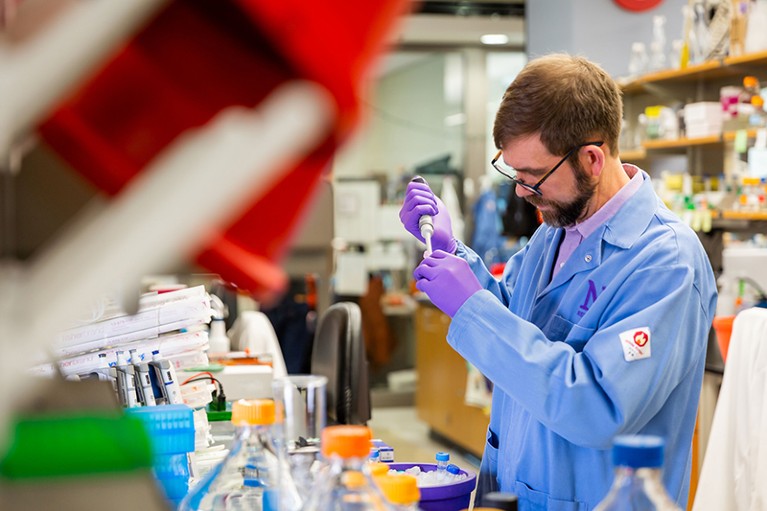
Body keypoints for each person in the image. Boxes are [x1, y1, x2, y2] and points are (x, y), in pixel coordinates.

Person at [399, 53, 716, 510]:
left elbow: (595, 406)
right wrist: (453, 253)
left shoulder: (666, 263)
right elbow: (517, 322)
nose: (521, 192)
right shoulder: (555, 232)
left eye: (533, 176)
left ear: (591, 159)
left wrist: (473, 310)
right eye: (512, 171)